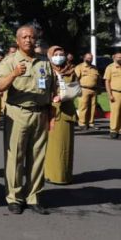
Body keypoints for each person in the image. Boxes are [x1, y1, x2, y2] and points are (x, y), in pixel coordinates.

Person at [0, 25, 53, 215]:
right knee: (15, 157)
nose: (29, 40)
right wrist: (14, 73)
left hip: (40, 113)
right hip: (18, 113)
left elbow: (51, 90)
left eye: (31, 37)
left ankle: (33, 197)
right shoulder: (10, 61)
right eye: (24, 37)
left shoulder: (44, 63)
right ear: (17, 40)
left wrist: (50, 115)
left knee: (37, 157)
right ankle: (14, 197)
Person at [44, 46, 76, 185]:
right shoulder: (45, 69)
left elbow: (75, 89)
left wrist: (63, 96)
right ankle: (48, 173)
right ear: (50, 56)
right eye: (55, 54)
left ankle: (62, 175)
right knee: (48, 144)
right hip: (48, 110)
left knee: (64, 144)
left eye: (61, 54)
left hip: (65, 110)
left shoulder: (71, 71)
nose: (58, 56)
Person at [74, 53, 100, 131]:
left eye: (91, 58)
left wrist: (99, 88)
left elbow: (98, 79)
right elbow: (76, 79)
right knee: (83, 107)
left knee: (92, 107)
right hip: (83, 89)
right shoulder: (79, 67)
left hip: (94, 90)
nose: (90, 59)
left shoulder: (94, 68)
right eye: (88, 58)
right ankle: (82, 123)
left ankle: (91, 123)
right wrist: (77, 89)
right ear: (84, 58)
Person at [104, 52, 121, 139]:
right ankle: (113, 130)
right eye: (118, 57)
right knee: (115, 112)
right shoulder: (110, 67)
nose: (120, 58)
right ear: (114, 58)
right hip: (115, 92)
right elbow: (107, 82)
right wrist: (109, 94)